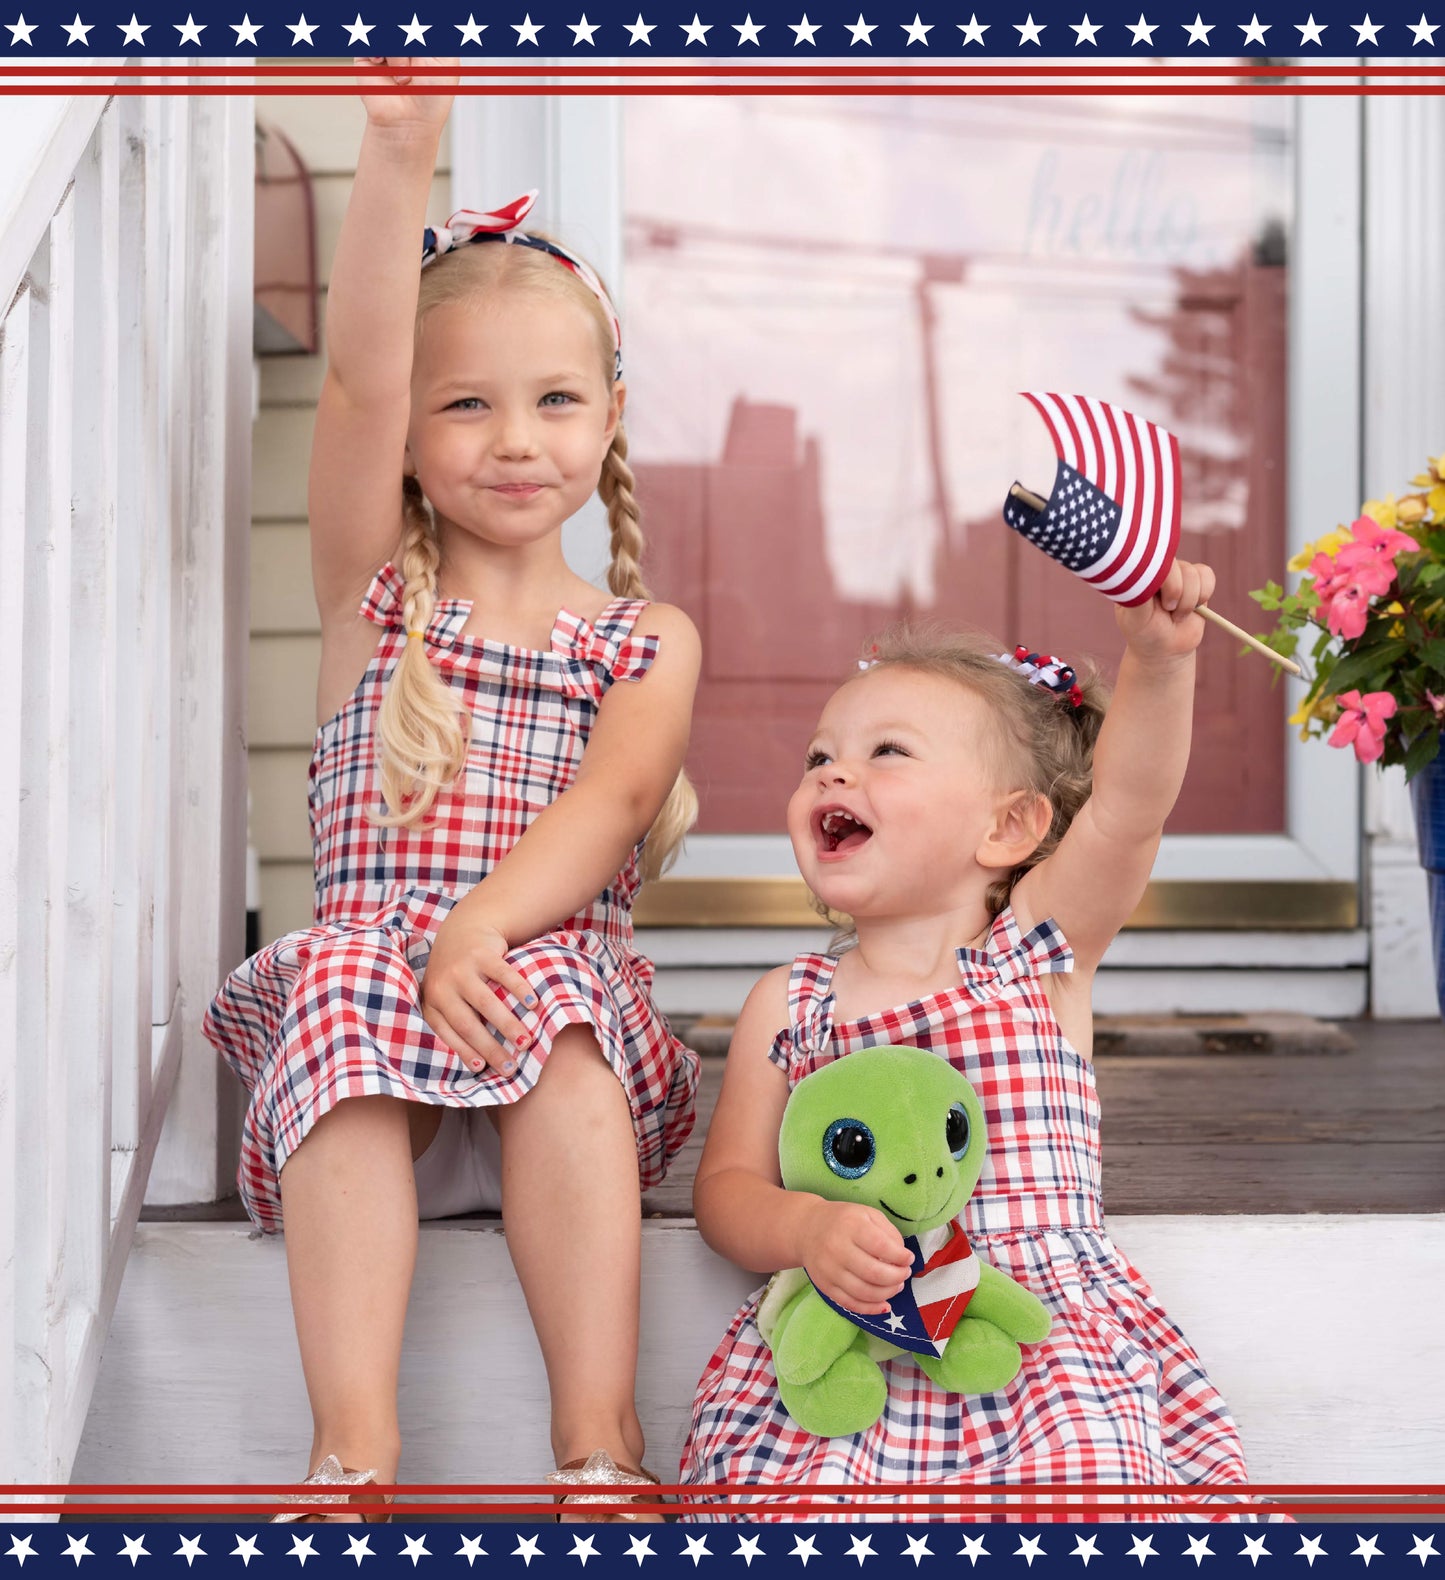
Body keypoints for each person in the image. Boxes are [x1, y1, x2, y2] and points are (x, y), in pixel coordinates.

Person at [204, 60, 700, 1523]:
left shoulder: (642, 638)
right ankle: (351, 1458)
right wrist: (400, 144)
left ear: (609, 417)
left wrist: (482, 927)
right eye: (465, 405)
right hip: (375, 1086)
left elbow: (609, 806)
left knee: (552, 998)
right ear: (415, 441)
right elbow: (354, 370)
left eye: (554, 400)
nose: (513, 438)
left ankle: (596, 1448)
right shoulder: (374, 602)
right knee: (354, 976)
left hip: (549, 1058)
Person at [681, 560, 1257, 1521]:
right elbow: (726, 1191)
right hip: (853, 1347)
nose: (833, 771)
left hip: (1034, 1346)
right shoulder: (791, 1004)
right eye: (818, 757)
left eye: (888, 752)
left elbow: (1128, 810)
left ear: (1009, 827)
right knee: (798, 1504)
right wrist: (805, 1230)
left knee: (1085, 1486)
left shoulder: (1036, 955)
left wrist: (1158, 665)